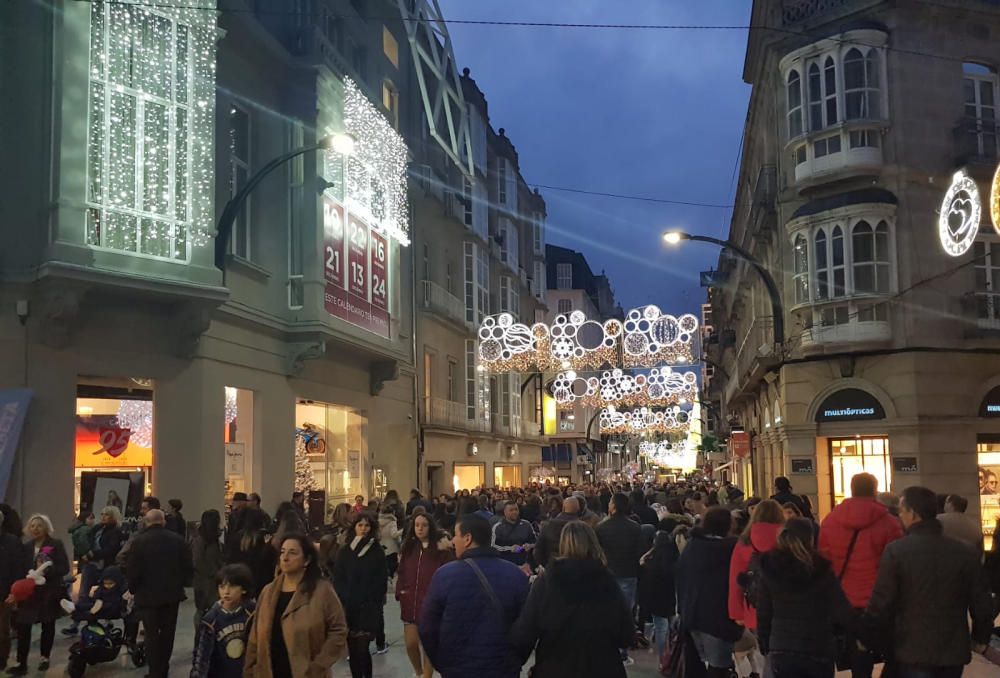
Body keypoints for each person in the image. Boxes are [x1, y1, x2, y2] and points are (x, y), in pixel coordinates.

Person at [863, 486, 994, 678]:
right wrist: (981, 637)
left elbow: (882, 601)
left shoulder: (897, 551)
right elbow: (981, 601)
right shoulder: (965, 552)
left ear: (913, 513)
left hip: (911, 649)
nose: (900, 516)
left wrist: (868, 635)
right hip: (953, 648)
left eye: (902, 511)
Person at [511, 521, 633, 678]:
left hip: (555, 665)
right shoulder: (607, 581)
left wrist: (515, 660)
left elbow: (526, 631)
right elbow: (626, 633)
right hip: (602, 666)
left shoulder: (547, 581)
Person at [419, 514, 529, 678]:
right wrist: (515, 660)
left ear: (468, 539)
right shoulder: (515, 574)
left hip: (458, 668)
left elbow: (427, 626)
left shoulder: (444, 575)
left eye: (456, 535)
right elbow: (527, 626)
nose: (453, 541)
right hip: (503, 667)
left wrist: (442, 662)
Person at [818, 472, 903, 678]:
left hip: (844, 599)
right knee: (894, 652)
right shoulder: (889, 523)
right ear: (875, 490)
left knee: (858, 653)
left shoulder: (831, 520)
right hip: (881, 599)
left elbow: (823, 559)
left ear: (851, 489)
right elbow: (898, 562)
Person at [756, 518, 854, 677]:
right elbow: (840, 610)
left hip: (782, 646)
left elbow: (764, 611)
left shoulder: (770, 568)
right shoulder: (820, 569)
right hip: (817, 645)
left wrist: (765, 643)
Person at [244, 534, 348, 678]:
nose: (285, 557)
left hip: (306, 672)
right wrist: (249, 670)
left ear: (306, 560)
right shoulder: (268, 592)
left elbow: (338, 630)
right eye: (282, 552)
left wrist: (319, 665)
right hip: (269, 671)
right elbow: (255, 638)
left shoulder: (322, 591)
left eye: (292, 553)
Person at [675, 507, 742, 677]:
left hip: (693, 615)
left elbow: (681, 579)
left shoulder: (692, 547)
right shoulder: (731, 550)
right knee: (718, 667)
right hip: (719, 618)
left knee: (701, 664)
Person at [126, 509, 194, 678]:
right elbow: (188, 568)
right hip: (171, 595)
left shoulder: (139, 542)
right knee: (167, 633)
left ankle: (154, 671)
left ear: (146, 522)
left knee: (151, 634)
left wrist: (132, 589)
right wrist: (182, 584)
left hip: (147, 596)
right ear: (163, 521)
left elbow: (133, 570)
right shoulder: (178, 540)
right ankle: (163, 667)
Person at [7, 515, 68, 675]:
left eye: (39, 526)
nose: (35, 529)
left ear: (46, 528)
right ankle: (21, 663)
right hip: (29, 594)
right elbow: (20, 570)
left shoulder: (55, 545)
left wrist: (47, 571)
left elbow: (64, 568)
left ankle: (44, 657)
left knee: (47, 626)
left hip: (48, 592)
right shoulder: (26, 547)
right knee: (23, 627)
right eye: (32, 526)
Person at [396, 513, 453, 678]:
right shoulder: (409, 549)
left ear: (431, 527)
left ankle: (427, 675)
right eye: (417, 525)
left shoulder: (440, 550)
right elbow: (401, 572)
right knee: (411, 643)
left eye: (424, 525)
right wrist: (401, 592)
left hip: (431, 605)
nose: (420, 529)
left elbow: (448, 572)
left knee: (428, 644)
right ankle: (418, 672)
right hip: (410, 604)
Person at [333, 513, 387, 677]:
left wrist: (374, 600)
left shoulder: (376, 551)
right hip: (349, 608)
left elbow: (381, 579)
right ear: (354, 527)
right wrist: (343, 598)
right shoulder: (345, 551)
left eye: (367, 526)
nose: (364, 529)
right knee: (353, 651)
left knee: (363, 649)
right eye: (360, 525)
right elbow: (339, 578)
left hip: (368, 608)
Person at [595, 492, 645, 665]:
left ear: (614, 506)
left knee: (606, 611)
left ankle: (607, 647)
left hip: (608, 574)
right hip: (629, 573)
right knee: (626, 612)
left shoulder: (601, 527)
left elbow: (597, 553)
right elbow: (640, 553)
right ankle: (622, 650)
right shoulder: (635, 527)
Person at [65, 505, 124, 636]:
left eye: (106, 515)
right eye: (102, 514)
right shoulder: (96, 529)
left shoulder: (115, 532)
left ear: (113, 517)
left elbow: (111, 550)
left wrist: (93, 554)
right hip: (91, 565)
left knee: (106, 594)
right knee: (83, 594)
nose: (103, 517)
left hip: (106, 566)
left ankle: (106, 621)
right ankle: (76, 622)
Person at [190, 563, 255, 678]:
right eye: (222, 586)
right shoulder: (210, 620)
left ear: (244, 589)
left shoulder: (252, 613)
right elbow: (200, 655)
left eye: (232, 586)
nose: (226, 591)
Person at [728, 499, 784, 631]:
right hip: (784, 610)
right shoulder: (787, 539)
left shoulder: (744, 542)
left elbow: (735, 580)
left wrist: (737, 613)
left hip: (754, 609)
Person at [640, 530, 679, 669]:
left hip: (655, 599)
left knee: (661, 627)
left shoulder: (651, 562)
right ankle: (673, 655)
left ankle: (662, 658)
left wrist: (651, 550)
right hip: (670, 598)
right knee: (672, 627)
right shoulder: (674, 559)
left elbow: (641, 562)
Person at [227, 508, 277, 599]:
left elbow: (231, 559)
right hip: (262, 580)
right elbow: (270, 559)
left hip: (242, 578)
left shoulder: (237, 537)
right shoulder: (265, 536)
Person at [191, 510, 225, 625]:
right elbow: (197, 562)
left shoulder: (211, 539)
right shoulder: (201, 541)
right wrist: (215, 572)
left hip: (208, 581)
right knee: (203, 612)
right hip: (205, 581)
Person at [0, 510, 21, 671]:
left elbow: (17, 569)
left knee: (2, 632)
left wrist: (14, 593)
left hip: (4, 594)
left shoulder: (12, 541)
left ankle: (1, 661)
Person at [491, 501, 536, 568]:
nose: (514, 512)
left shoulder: (527, 524)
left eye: (516, 509)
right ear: (505, 512)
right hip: (506, 564)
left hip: (525, 563)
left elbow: (535, 541)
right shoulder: (498, 527)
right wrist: (510, 548)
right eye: (511, 510)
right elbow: (493, 546)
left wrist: (530, 545)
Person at [377, 504, 403, 580]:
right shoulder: (392, 522)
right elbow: (394, 534)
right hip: (391, 548)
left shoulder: (378, 521)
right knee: (392, 567)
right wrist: (403, 531)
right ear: (392, 513)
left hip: (381, 546)